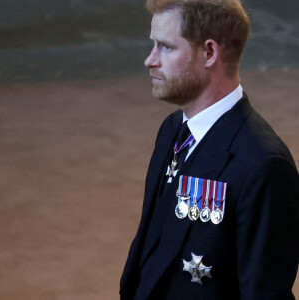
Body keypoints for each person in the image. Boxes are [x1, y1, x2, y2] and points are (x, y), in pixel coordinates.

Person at [120, 0, 299, 299]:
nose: (150, 59)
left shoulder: (264, 165)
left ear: (209, 53)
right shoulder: (172, 130)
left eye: (166, 47)